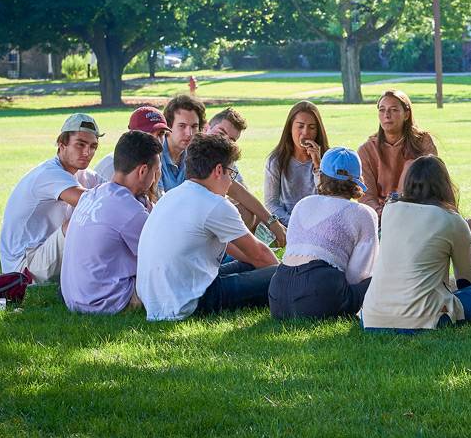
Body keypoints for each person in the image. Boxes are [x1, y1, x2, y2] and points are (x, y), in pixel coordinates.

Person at [136, 133, 278, 321]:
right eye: (231, 173)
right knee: (282, 274)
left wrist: (256, 264)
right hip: (189, 302)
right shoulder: (214, 204)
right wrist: (283, 274)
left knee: (256, 266)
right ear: (219, 170)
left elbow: (243, 253)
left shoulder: (172, 196)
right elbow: (260, 254)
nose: (230, 182)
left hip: (157, 299)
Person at [360, 155, 471, 332]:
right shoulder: (451, 220)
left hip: (371, 318)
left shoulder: (390, 211)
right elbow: (467, 281)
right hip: (423, 319)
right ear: (445, 186)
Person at [269, 147, 378, 320]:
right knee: (381, 277)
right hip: (320, 291)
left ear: (322, 176)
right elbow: (359, 274)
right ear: (357, 181)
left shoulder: (302, 204)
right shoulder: (363, 213)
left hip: (278, 293)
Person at [60, 130, 162, 314]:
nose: (155, 179)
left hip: (75, 298)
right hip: (106, 303)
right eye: (155, 172)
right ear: (143, 170)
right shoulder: (129, 209)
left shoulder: (93, 194)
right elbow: (163, 256)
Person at [0, 114, 106, 283]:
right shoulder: (49, 174)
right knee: (82, 218)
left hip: (43, 255)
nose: (87, 152)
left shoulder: (84, 174)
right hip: (23, 270)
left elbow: (114, 194)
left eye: (93, 146)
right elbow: (91, 204)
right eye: (80, 144)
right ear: (62, 144)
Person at [204, 108, 287, 247]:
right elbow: (235, 190)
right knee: (245, 214)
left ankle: (274, 243)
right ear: (206, 127)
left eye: (231, 140)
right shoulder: (198, 153)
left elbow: (242, 193)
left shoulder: (223, 157)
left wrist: (273, 223)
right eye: (221, 133)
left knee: (248, 212)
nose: (224, 142)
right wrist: (272, 223)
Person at [357, 90, 438, 217]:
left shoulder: (423, 143)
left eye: (394, 110)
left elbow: (435, 184)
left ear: (406, 114)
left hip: (418, 210)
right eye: (382, 110)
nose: (387, 115)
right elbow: (366, 195)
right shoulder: (367, 149)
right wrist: (382, 214)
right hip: (380, 215)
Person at [264, 101, 328, 226]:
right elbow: (271, 204)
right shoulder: (276, 161)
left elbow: (329, 198)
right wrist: (294, 224)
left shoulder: (327, 158)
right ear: (290, 128)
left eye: (312, 127)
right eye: (300, 126)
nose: (305, 133)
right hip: (288, 224)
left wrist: (317, 165)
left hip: (321, 224)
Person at [93, 106, 168, 180]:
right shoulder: (112, 166)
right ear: (131, 134)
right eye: (148, 133)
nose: (156, 140)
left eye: (161, 133)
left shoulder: (156, 161)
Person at [160, 94, 206, 193]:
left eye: (194, 126)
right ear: (168, 127)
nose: (189, 133)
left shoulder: (196, 155)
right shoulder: (155, 156)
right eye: (182, 126)